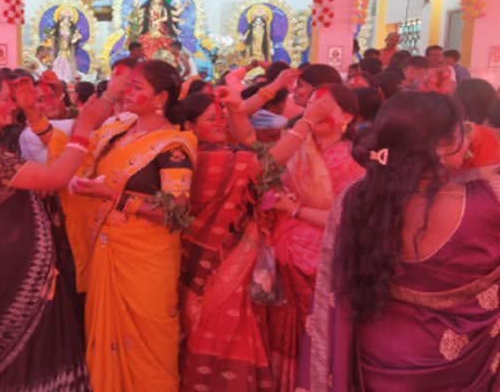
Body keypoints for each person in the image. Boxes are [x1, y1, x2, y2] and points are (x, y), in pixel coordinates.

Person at [0, 71, 123, 390]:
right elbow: (56, 177)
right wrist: (84, 128)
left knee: (22, 362)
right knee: (17, 364)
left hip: (5, 272)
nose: (11, 106)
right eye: (4, 100)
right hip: (4, 277)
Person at [299, 92, 500, 391]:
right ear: (440, 146)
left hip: (378, 354)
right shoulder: (489, 204)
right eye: (461, 132)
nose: (468, 141)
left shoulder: (357, 198)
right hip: (462, 367)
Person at [178, 85, 336, 392]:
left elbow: (251, 142)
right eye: (211, 119)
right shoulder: (214, 159)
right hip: (221, 262)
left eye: (221, 117)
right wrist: (308, 119)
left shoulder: (203, 155)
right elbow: (268, 163)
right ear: (189, 126)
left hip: (208, 260)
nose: (220, 123)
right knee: (224, 327)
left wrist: (237, 109)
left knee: (215, 326)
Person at [58, 60, 197, 391]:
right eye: (128, 85)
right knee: (104, 334)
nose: (128, 92)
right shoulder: (116, 130)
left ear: (160, 97)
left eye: (137, 87)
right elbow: (76, 155)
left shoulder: (173, 146)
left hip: (146, 259)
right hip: (107, 249)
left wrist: (114, 196)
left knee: (148, 341)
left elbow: (175, 213)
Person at [265, 84, 365, 391]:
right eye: (311, 106)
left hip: (322, 261)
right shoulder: (296, 148)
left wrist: (296, 210)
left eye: (324, 107)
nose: (315, 112)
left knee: (317, 334)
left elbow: (347, 220)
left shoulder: (353, 160)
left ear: (346, 116)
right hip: (285, 255)